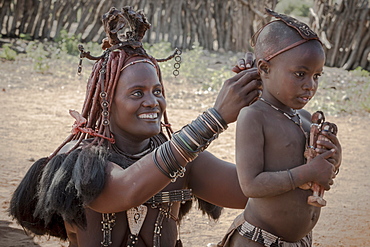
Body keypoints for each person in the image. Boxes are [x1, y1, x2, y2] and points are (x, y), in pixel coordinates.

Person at [9, 6, 262, 247]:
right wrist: (215, 118)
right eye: (137, 93)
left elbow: (255, 191)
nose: (152, 102)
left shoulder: (186, 161)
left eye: (157, 91)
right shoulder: (81, 162)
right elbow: (125, 190)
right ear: (106, 101)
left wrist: (267, 95)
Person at [217, 9, 342, 247]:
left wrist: (333, 158)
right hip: (258, 240)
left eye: (317, 76)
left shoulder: (306, 119)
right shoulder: (254, 116)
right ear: (264, 68)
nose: (310, 85)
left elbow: (324, 171)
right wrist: (307, 174)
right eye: (300, 74)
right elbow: (250, 184)